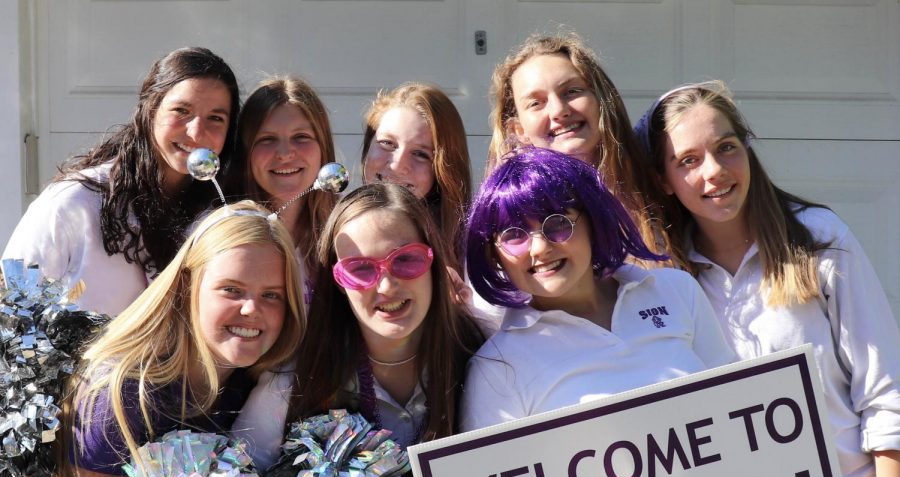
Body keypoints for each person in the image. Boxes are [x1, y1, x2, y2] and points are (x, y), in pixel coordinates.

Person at [635, 80, 900, 477]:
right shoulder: (662, 281)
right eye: (688, 160)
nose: (714, 171)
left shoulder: (818, 239)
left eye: (726, 148)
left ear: (748, 150)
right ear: (665, 180)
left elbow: (886, 393)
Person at [0, 201, 303, 477]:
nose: (250, 309)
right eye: (231, 289)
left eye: (271, 295)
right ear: (188, 286)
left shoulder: (254, 383)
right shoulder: (123, 391)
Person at [461, 146, 735, 431]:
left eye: (557, 223)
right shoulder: (497, 369)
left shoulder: (677, 291)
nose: (540, 248)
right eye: (514, 235)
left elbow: (738, 401)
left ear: (593, 221)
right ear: (494, 254)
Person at [233, 184, 484, 477]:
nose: (387, 286)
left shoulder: (482, 353)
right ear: (338, 282)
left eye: (406, 259)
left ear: (433, 263)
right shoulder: (294, 382)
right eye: (361, 270)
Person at [2, 47, 240, 316]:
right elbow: (11, 311)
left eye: (216, 118)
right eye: (181, 110)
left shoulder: (221, 216)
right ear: (150, 111)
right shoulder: (74, 202)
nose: (197, 131)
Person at [486, 32, 670, 257]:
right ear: (519, 130)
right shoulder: (511, 223)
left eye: (572, 91)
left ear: (602, 101)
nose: (559, 110)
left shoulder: (661, 188)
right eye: (536, 103)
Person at [228, 76, 337, 309]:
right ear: (246, 153)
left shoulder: (346, 233)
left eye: (301, 137)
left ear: (323, 147)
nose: (285, 153)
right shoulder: (219, 234)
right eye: (267, 139)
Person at [361, 82, 471, 269]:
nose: (397, 164)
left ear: (444, 170)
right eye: (387, 143)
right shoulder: (338, 231)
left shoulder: (473, 252)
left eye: (421, 154)